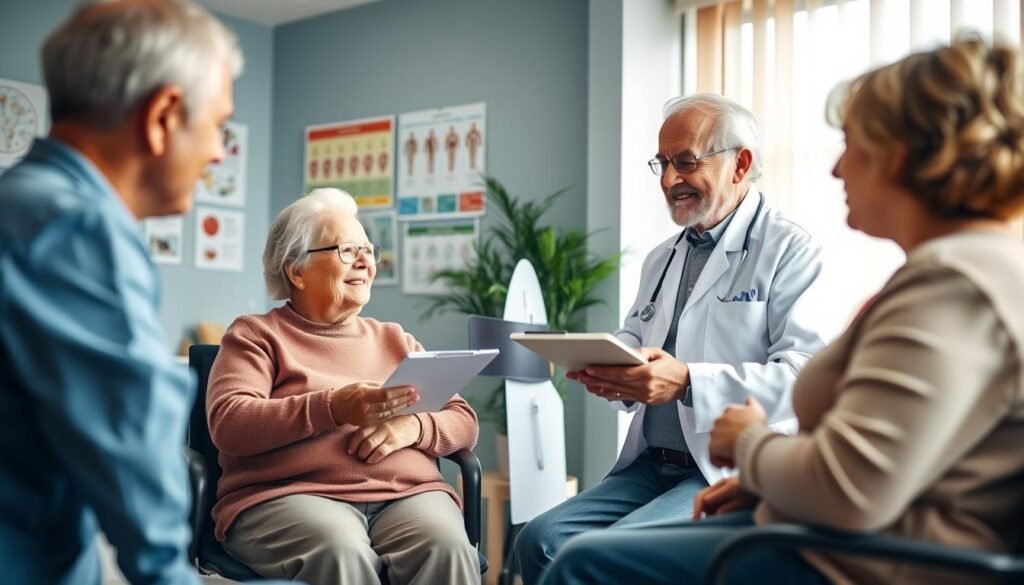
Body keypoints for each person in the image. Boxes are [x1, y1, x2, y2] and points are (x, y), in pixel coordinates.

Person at [539, 34, 1024, 585]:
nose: (837, 169)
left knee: (589, 562)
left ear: (904, 157)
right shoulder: (953, 274)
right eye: (663, 163)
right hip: (790, 506)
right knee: (545, 540)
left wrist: (747, 442)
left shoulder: (949, 287)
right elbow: (901, 452)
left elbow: (851, 484)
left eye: (852, 145)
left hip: (858, 556)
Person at [514, 93, 829, 584]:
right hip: (650, 465)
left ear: (739, 164)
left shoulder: (789, 249)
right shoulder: (662, 257)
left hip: (723, 472)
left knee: (609, 558)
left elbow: (805, 374)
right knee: (538, 541)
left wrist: (686, 381)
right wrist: (611, 367)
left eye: (685, 162)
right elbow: (637, 334)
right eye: (662, 163)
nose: (668, 180)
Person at [0, 1, 241, 583]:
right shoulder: (79, 231)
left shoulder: (19, 202)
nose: (216, 152)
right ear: (162, 115)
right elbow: (139, 481)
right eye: (218, 125)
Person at [207, 187, 481, 584]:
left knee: (449, 548)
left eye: (369, 250)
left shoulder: (394, 339)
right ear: (296, 270)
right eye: (347, 251)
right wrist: (331, 407)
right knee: (342, 552)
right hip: (290, 496)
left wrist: (414, 428)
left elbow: (464, 419)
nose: (365, 262)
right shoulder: (255, 336)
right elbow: (230, 423)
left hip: (407, 496)